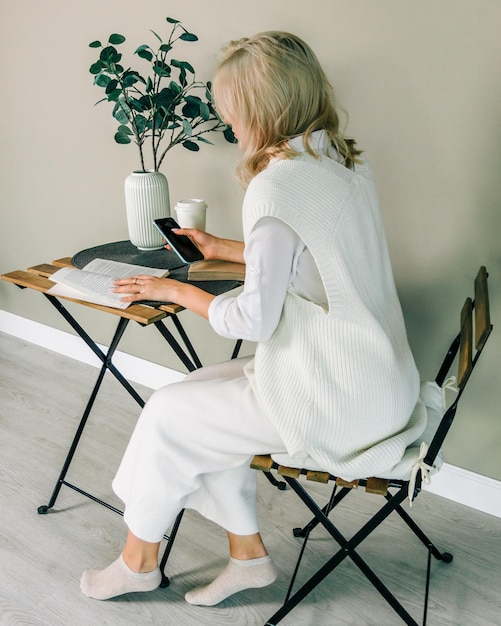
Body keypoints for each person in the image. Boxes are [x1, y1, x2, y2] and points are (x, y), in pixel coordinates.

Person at [80, 31, 426, 606]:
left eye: (232, 111)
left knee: (170, 415)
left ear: (263, 108)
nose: (228, 124)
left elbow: (253, 322)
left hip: (336, 395)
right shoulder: (335, 160)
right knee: (192, 404)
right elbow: (316, 257)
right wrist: (221, 247)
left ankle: (138, 562)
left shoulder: (277, 184)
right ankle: (247, 558)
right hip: (373, 378)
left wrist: (174, 290)